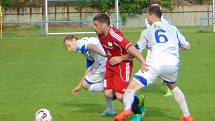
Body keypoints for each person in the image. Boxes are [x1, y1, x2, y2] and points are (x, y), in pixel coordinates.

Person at [114, 6, 194, 121]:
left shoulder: (147, 31)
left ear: (152, 16)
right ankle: (187, 116)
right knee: (172, 86)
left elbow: (136, 50)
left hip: (155, 64)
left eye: (147, 16)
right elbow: (187, 46)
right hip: (172, 65)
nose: (147, 19)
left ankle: (127, 109)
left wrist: (122, 58)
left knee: (130, 89)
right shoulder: (173, 28)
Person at [93, 13, 147, 118]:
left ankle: (138, 112)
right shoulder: (100, 33)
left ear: (104, 25)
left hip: (123, 66)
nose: (94, 28)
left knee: (120, 96)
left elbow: (132, 49)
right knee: (108, 94)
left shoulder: (115, 35)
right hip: (110, 64)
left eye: (96, 25)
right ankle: (136, 99)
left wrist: (142, 62)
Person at [63, 35, 116, 116]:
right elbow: (89, 68)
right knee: (94, 84)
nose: (69, 49)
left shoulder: (80, 44)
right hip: (105, 64)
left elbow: (90, 46)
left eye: (69, 46)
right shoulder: (84, 49)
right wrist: (78, 86)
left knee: (85, 84)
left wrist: (103, 54)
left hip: (103, 65)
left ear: (74, 40)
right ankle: (111, 110)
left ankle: (112, 91)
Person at [145, 0, 173, 97]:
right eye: (152, 7)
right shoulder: (147, 20)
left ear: (160, 8)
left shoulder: (165, 22)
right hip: (151, 49)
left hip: (161, 50)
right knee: (147, 67)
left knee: (163, 69)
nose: (154, 9)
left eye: (156, 7)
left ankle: (169, 89)